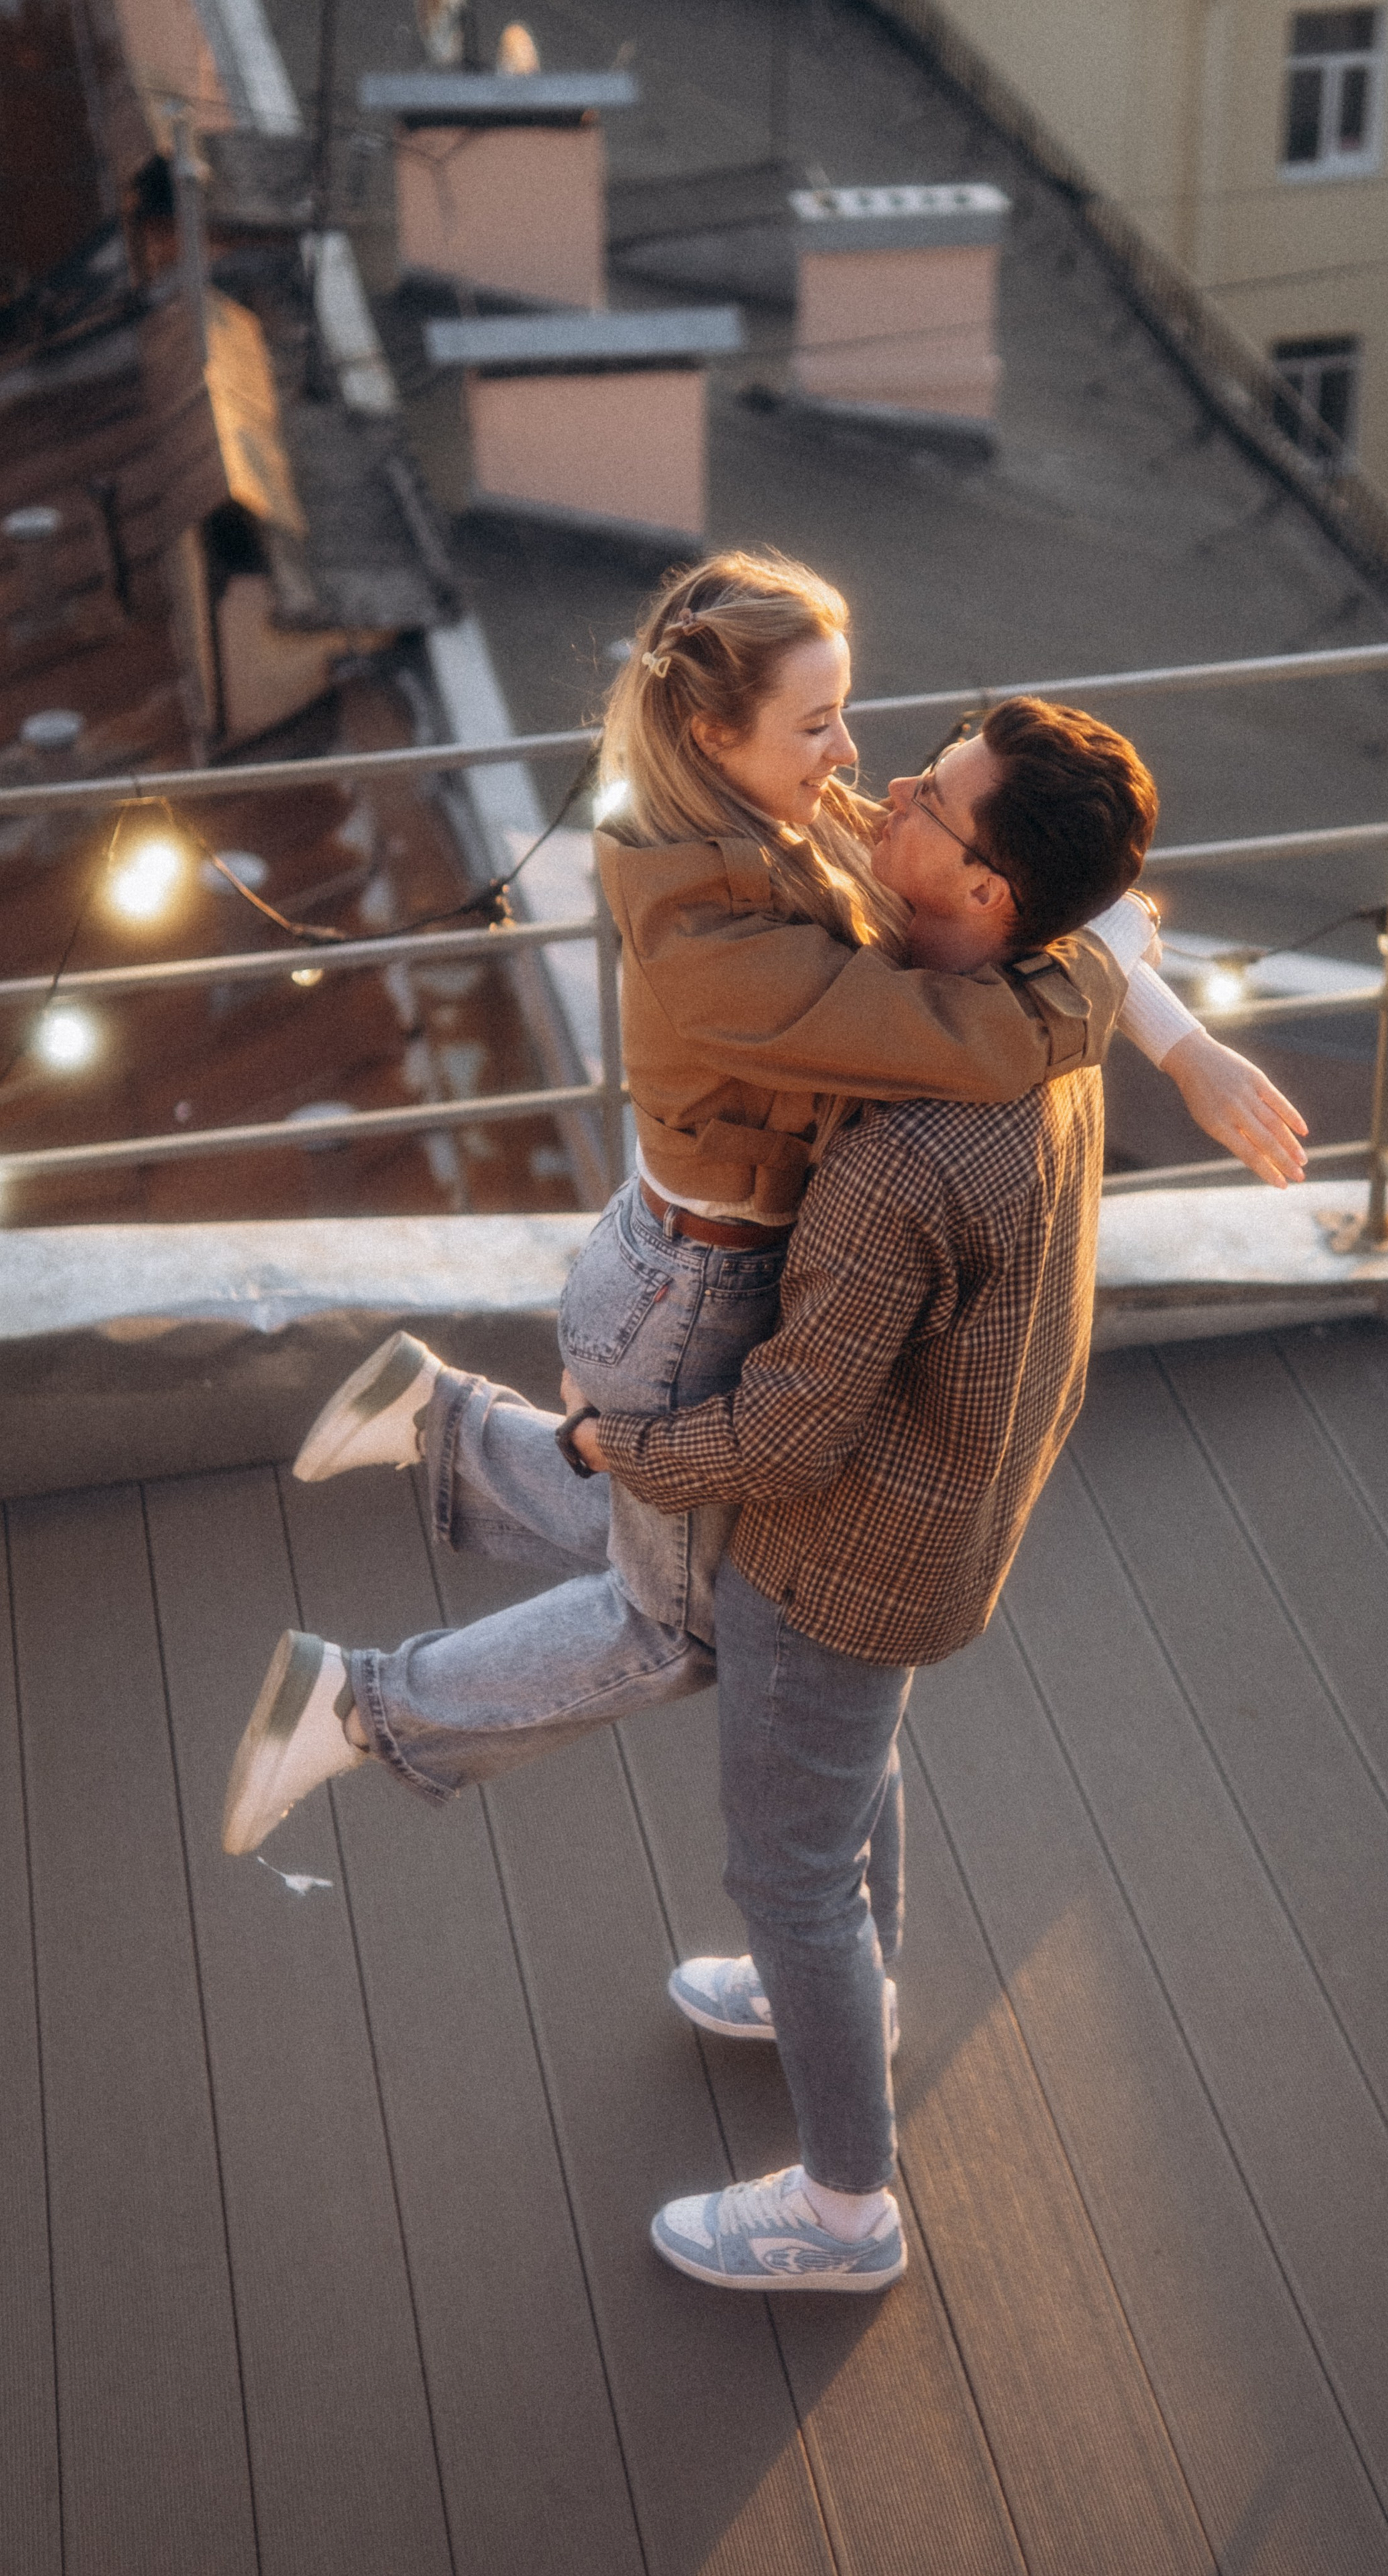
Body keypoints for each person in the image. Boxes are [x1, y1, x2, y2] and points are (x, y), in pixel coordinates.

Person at [221, 689, 1287, 2290]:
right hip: (941, 1500)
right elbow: (1112, 918)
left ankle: (845, 2211)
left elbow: (781, 1437)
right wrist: (1189, 1043)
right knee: (845, 1778)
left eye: (932, 794)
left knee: (779, 1851)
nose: (889, 787)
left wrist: (603, 1444)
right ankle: (848, 1982)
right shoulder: (1046, 971)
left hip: (848, 1547)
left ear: (983, 892)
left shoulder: (909, 1148)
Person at [225, 555, 1305, 1864]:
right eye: (816, 724)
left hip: (701, 1266)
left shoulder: (783, 821)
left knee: (694, 1558)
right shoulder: (708, 936)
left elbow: (1065, 918)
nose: (858, 758)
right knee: (675, 1625)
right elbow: (973, 1028)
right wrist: (1130, 998)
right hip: (690, 1297)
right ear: (710, 732)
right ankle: (359, 1705)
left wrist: (1177, 1035)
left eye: (845, 712)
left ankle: (443, 1427)